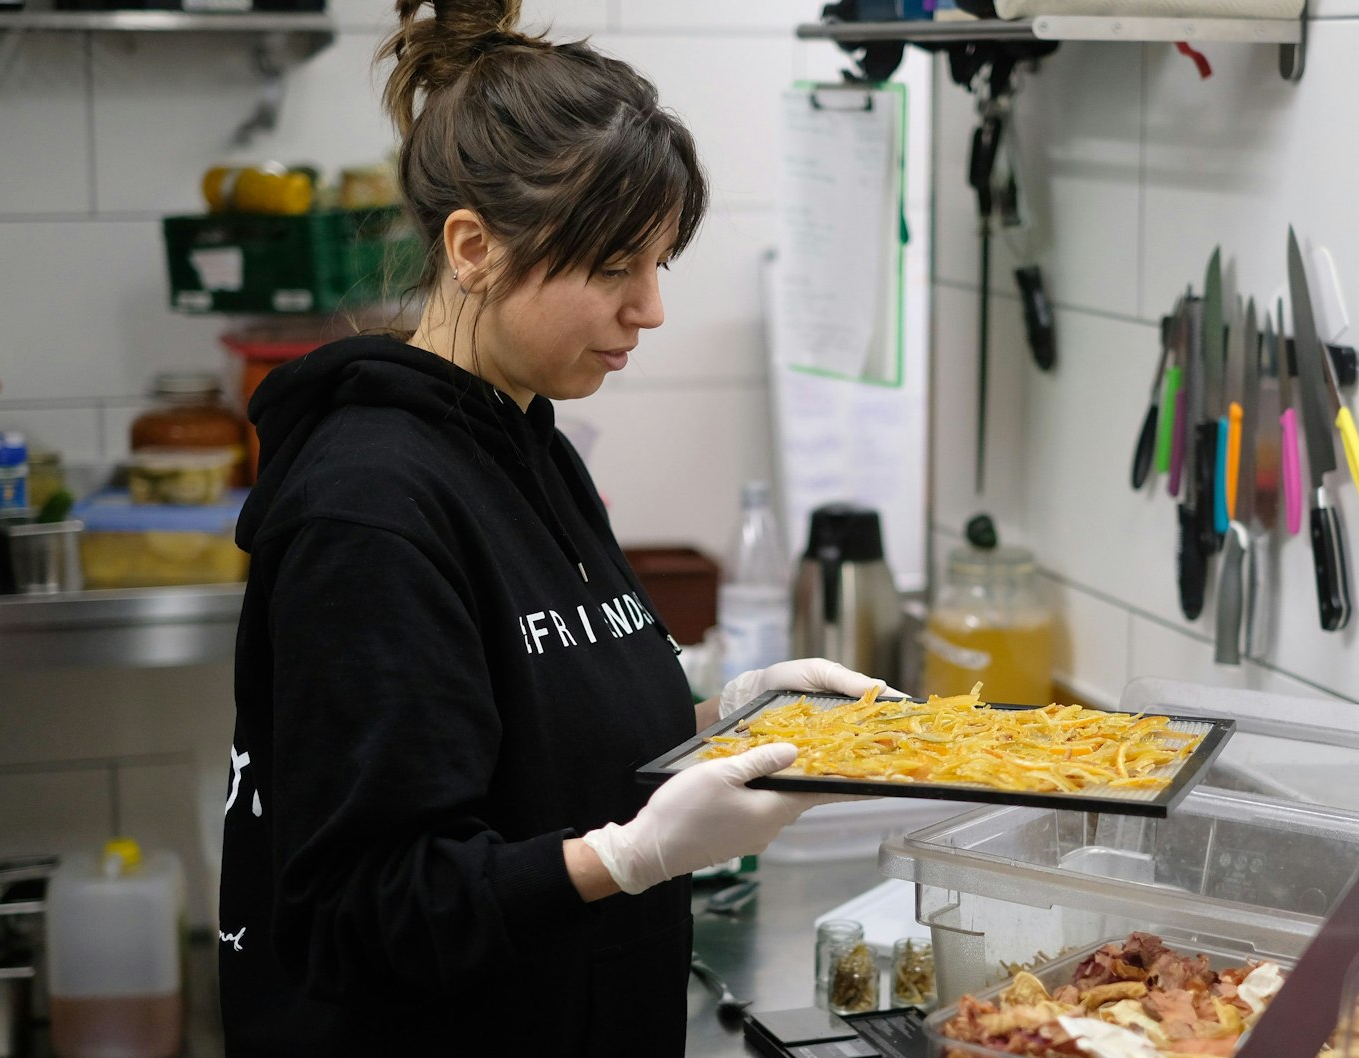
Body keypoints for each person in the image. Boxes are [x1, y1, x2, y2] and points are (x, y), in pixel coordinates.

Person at [214, 2, 896, 1053]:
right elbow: (365, 905)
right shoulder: (368, 509)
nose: (649, 310)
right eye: (611, 267)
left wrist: (729, 715)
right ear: (473, 246)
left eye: (658, 264)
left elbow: (526, 727)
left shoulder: (534, 446)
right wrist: (625, 858)